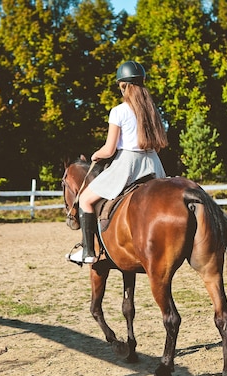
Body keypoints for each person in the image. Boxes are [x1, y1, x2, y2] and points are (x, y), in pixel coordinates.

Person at [68, 61, 168, 264]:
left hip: (128, 164)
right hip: (153, 164)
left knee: (86, 199)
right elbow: (157, 145)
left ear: (123, 85)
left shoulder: (118, 111)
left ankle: (89, 252)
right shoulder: (151, 110)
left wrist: (96, 155)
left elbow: (109, 149)